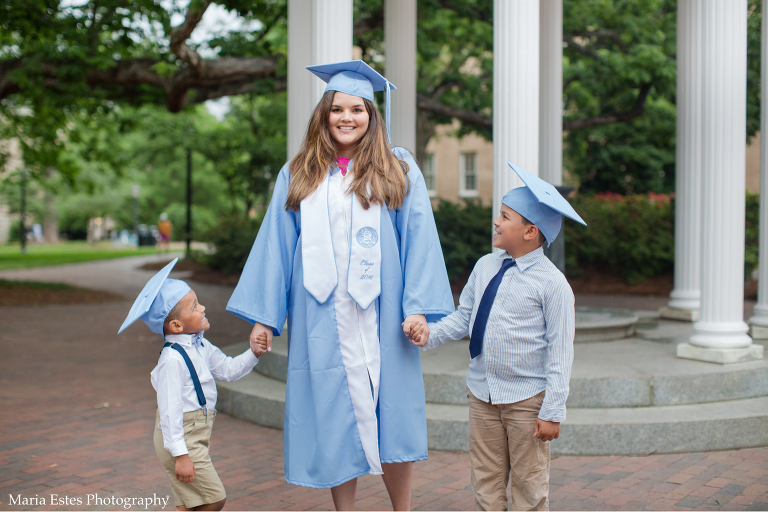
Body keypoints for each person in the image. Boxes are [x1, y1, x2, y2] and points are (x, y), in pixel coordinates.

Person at [227, 60, 454, 510]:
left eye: (357, 109)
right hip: (321, 315)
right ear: (323, 115)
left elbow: (420, 241)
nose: (346, 118)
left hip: (384, 314)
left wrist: (418, 308)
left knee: (393, 415)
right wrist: (264, 319)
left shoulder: (398, 168)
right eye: (337, 109)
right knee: (332, 413)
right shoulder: (299, 174)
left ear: (372, 116)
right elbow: (276, 246)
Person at [405, 163, 587, 511]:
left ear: (531, 231)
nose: (496, 222)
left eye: (504, 216)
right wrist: (429, 333)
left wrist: (553, 411)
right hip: (482, 393)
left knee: (529, 486)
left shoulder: (552, 285)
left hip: (526, 400)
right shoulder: (486, 265)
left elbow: (561, 353)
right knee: (485, 481)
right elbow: (463, 318)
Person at [118, 259, 269, 511]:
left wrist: (253, 353)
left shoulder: (202, 345)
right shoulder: (172, 360)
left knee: (192, 503)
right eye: (195, 306)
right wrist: (181, 455)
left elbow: (229, 370)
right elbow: (169, 411)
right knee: (213, 497)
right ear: (176, 325)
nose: (203, 307)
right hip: (180, 437)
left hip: (196, 432)